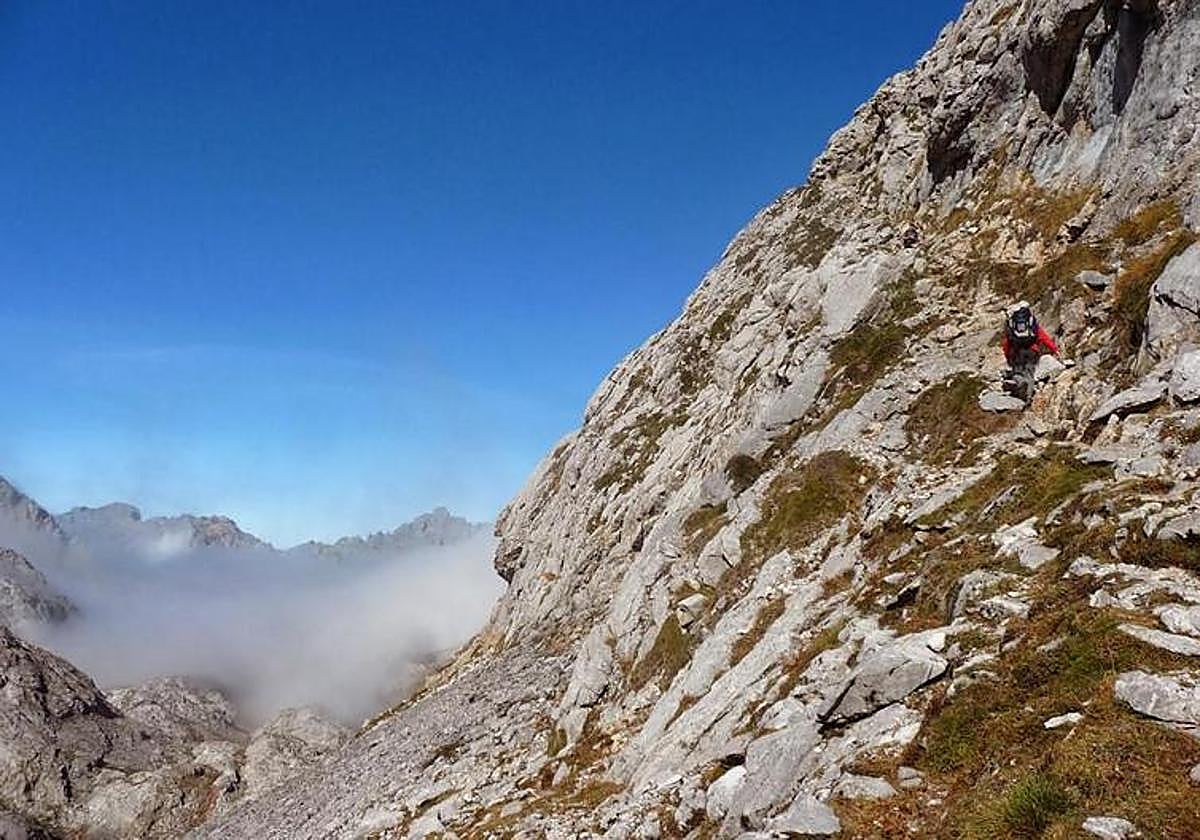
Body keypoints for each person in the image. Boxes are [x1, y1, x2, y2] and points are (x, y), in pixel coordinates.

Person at [1002, 300, 1060, 403]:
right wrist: (1054, 349)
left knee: (1017, 373)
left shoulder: (1012, 324)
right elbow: (1043, 337)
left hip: (1016, 352)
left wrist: (1008, 356)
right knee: (1030, 374)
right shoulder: (1032, 323)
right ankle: (1028, 399)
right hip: (1032, 351)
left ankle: (1020, 383)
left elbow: (1007, 343)